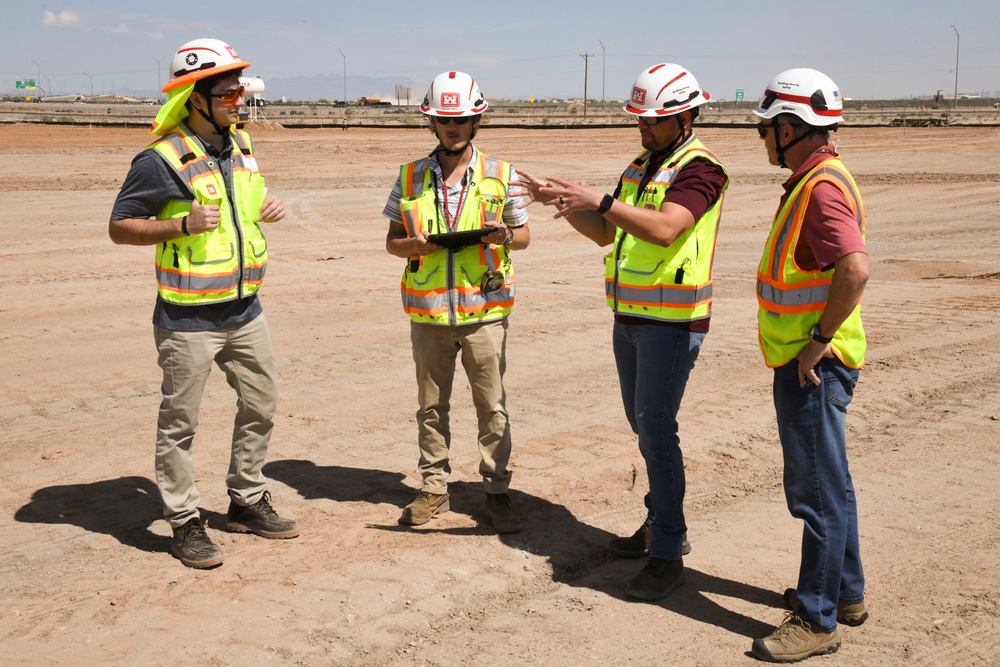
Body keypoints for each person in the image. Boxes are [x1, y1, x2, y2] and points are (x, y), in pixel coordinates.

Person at [511, 64, 728, 599]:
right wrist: (562, 204)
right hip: (630, 319)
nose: (642, 128)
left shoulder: (702, 170)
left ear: (683, 116)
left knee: (657, 431)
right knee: (644, 427)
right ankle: (659, 525)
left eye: (652, 120)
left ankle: (668, 552)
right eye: (640, 119)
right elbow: (608, 234)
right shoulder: (639, 166)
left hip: (672, 324)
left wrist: (600, 201)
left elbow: (666, 228)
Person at [109, 38, 299, 569]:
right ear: (196, 97)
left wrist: (265, 207)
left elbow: (239, 210)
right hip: (187, 316)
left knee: (261, 403)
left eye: (240, 89)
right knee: (180, 423)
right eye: (228, 91)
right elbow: (119, 227)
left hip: (245, 309)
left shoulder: (240, 145)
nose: (239, 99)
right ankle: (184, 521)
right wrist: (178, 224)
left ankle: (246, 499)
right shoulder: (160, 160)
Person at [748, 68, 870, 662]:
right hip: (814, 360)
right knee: (832, 483)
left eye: (768, 128)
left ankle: (817, 619)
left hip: (812, 366)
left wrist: (818, 340)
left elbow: (854, 269)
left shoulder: (820, 188)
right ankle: (846, 593)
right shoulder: (816, 179)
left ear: (792, 128)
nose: (763, 138)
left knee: (814, 492)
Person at [383, 71, 531, 534]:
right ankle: (432, 488)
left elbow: (524, 237)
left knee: (492, 406)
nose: (454, 127)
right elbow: (392, 242)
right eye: (445, 119)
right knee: (431, 406)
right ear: (431, 121)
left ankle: (497, 492)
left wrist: (505, 234)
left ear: (476, 120)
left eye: (463, 119)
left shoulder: (501, 174)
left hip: (484, 313)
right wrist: (415, 247)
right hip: (429, 314)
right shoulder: (409, 176)